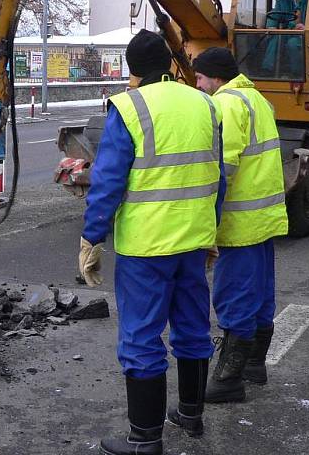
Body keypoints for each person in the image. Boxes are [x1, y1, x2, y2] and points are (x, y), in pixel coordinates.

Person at [77, 29, 226, 455]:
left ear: (132, 71)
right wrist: (210, 231)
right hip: (194, 240)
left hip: (147, 246)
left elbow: (107, 181)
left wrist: (92, 237)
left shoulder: (129, 107)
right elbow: (217, 173)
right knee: (194, 328)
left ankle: (145, 440)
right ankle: (191, 415)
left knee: (142, 337)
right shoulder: (203, 103)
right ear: (170, 64)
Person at [192, 47, 289, 404]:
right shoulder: (256, 99)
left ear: (216, 76)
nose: (198, 85)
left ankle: (228, 379)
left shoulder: (227, 104)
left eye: (200, 78)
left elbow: (223, 168)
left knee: (235, 296)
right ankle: (253, 365)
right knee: (261, 294)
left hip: (238, 221)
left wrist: (206, 219)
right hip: (262, 216)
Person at [261, 0, 309, 78]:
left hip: (303, 36)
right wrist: (271, 27)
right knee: (275, 38)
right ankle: (267, 70)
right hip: (285, 33)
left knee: (293, 44)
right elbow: (274, 16)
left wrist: (306, 26)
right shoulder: (281, 1)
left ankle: (296, 74)